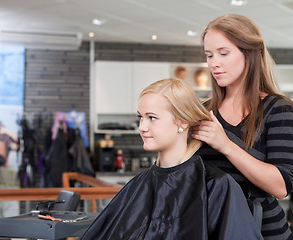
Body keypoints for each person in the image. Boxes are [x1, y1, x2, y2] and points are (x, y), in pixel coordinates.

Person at [79, 78, 263, 240]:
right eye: (140, 118)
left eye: (152, 118)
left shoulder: (215, 186)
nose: (142, 127)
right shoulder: (138, 184)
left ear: (182, 122)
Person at [191, 14, 293, 240]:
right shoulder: (202, 111)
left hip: (264, 232)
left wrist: (226, 145)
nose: (214, 63)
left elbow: (282, 186)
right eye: (209, 55)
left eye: (223, 53)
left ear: (250, 53)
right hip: (212, 229)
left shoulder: (278, 109)